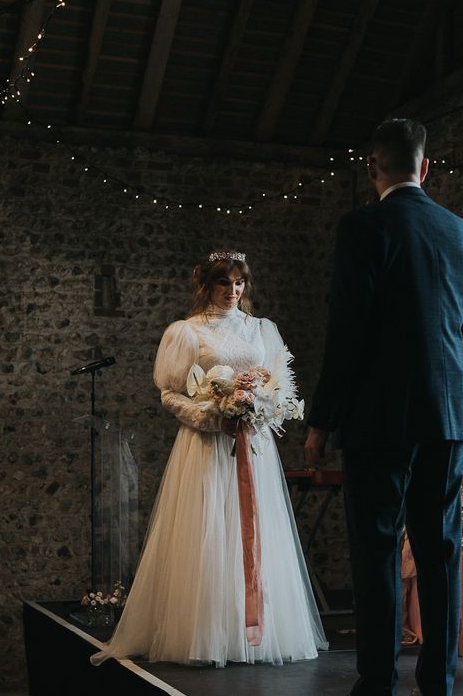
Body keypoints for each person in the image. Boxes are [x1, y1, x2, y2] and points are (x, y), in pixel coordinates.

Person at [304, 118, 463, 696]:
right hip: (449, 414)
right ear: (426, 166)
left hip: (379, 415)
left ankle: (378, 680)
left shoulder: (362, 226)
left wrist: (321, 419)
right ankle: (440, 680)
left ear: (371, 166)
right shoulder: (462, 234)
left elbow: (347, 331)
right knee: (440, 550)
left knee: (377, 547)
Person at [91, 250, 327, 667]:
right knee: (207, 531)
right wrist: (210, 415)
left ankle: (252, 630)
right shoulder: (186, 332)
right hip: (205, 446)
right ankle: (206, 632)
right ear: (206, 285)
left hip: (253, 448)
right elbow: (170, 392)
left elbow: (279, 383)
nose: (232, 291)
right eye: (224, 282)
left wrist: (263, 407)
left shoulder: (262, 329)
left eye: (239, 283)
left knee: (254, 531)